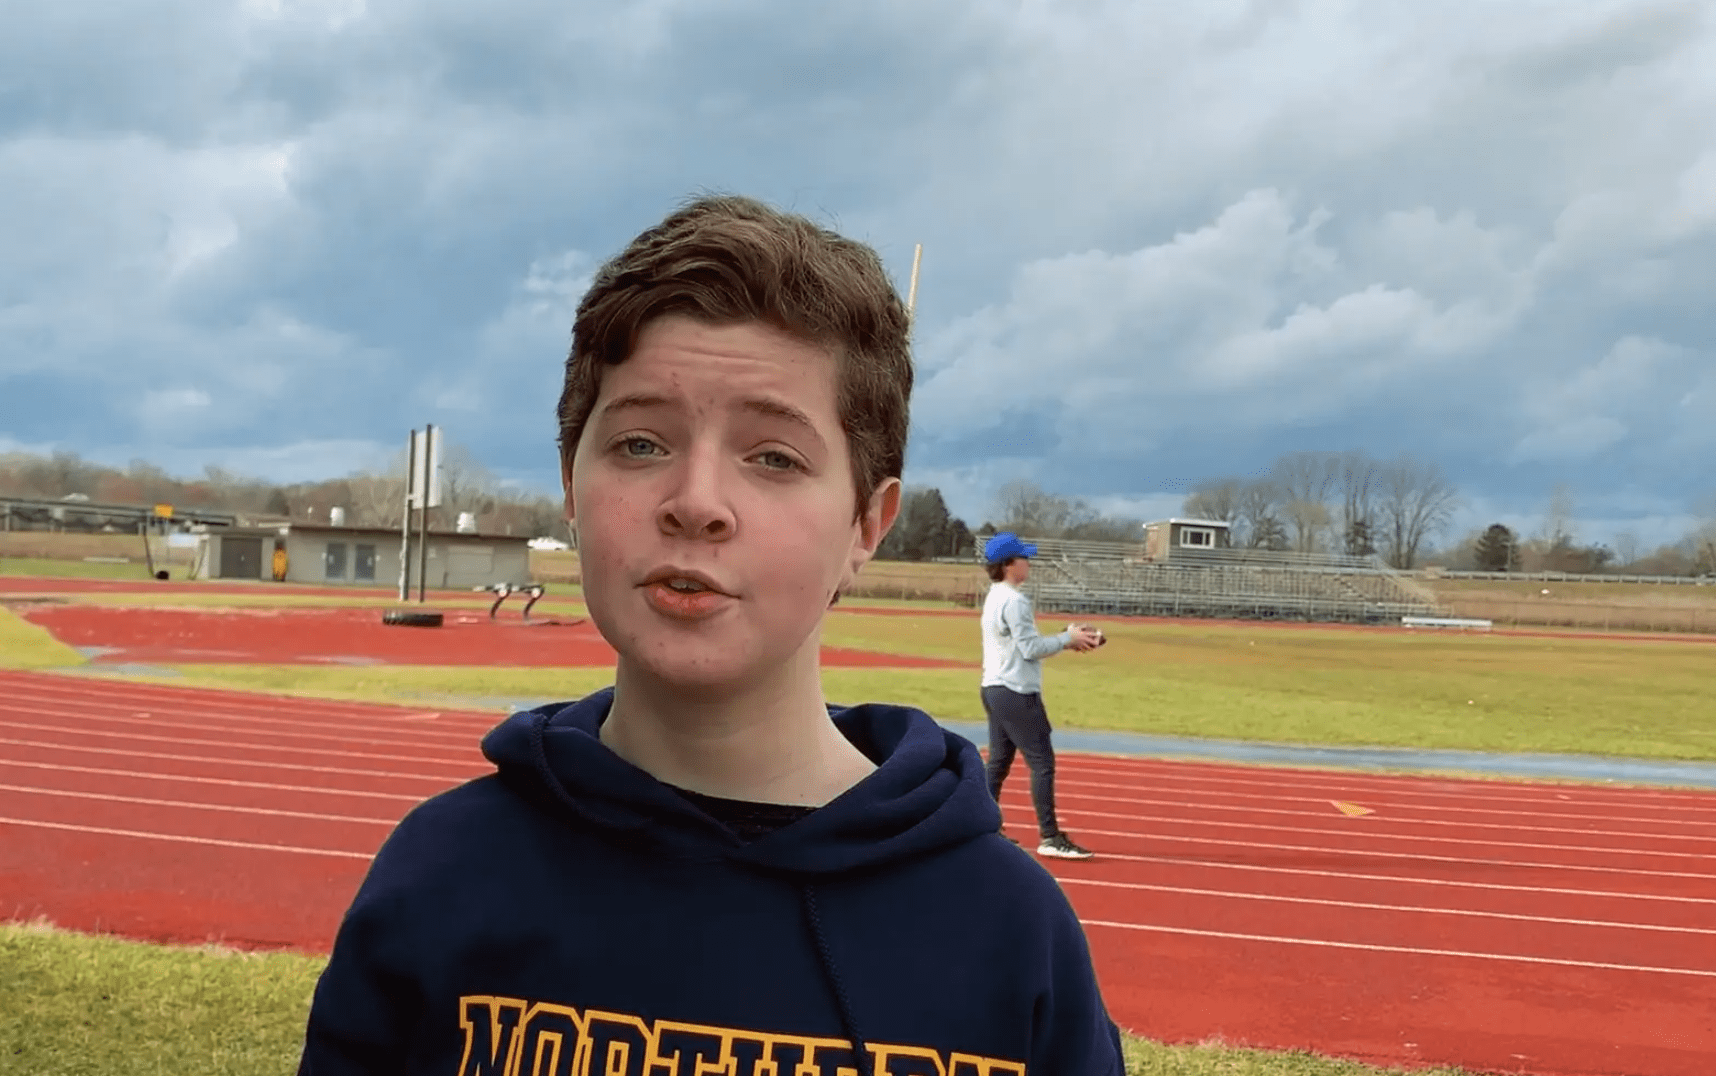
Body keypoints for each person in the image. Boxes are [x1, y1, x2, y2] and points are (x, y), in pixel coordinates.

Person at [298, 196, 1127, 1076]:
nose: (695, 501)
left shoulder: (1007, 934)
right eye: (641, 443)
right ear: (572, 489)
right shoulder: (443, 877)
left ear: (867, 524)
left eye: (774, 457)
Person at [979, 532, 1104, 860]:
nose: (1028, 563)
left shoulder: (994, 595)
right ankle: (1050, 835)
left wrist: (1068, 640)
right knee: (1041, 763)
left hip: (993, 687)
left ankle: (983, 827)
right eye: (1024, 558)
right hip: (1017, 690)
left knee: (998, 764)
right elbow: (1030, 648)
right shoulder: (1015, 601)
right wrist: (1067, 638)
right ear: (1009, 565)